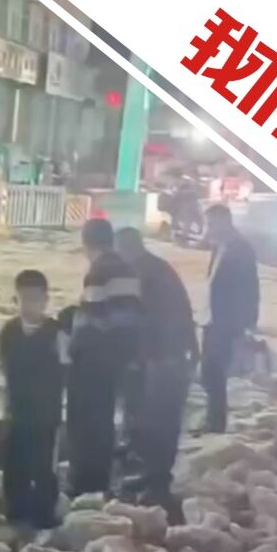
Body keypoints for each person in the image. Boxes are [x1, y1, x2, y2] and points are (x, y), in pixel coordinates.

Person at [115, 227, 197, 520]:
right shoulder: (161, 269)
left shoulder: (142, 275)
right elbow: (185, 312)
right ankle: (158, 479)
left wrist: (136, 358)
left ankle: (153, 484)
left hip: (158, 360)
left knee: (152, 421)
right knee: (164, 420)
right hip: (174, 358)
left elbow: (144, 322)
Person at [66, 219, 143, 497]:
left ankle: (85, 482)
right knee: (105, 420)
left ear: (87, 243)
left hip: (94, 361)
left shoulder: (98, 271)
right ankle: (102, 479)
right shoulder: (128, 269)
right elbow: (132, 316)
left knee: (87, 423)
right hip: (117, 359)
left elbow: (94, 316)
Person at [0, 270, 64, 530]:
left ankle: (44, 514)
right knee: (15, 462)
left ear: (46, 300)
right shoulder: (9, 332)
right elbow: (6, 367)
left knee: (43, 465)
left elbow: (65, 368)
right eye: (23, 299)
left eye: (35, 299)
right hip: (17, 409)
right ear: (16, 300)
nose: (29, 305)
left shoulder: (56, 333)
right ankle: (16, 509)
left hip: (46, 414)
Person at [201, 204, 259, 433]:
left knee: (214, 371)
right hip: (212, 319)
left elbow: (250, 289)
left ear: (225, 222)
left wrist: (246, 324)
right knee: (209, 373)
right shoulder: (220, 247)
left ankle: (216, 423)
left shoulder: (241, 250)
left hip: (226, 322)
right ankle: (213, 419)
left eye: (212, 223)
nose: (209, 228)